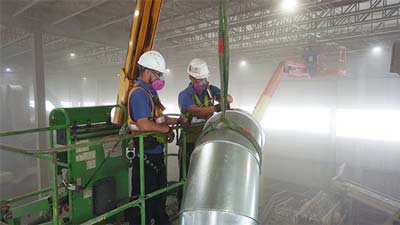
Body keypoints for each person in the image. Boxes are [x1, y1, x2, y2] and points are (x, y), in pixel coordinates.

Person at [125, 50, 176, 225]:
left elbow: (158, 118)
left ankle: (160, 219)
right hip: (144, 154)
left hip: (155, 152)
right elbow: (144, 124)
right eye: (158, 74)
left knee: (158, 193)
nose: (160, 78)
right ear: (147, 71)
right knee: (144, 196)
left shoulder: (150, 93)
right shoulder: (139, 93)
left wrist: (177, 121)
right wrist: (166, 129)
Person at [176, 58, 233, 206]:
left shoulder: (210, 89)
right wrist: (216, 108)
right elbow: (196, 111)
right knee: (188, 175)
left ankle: (201, 202)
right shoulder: (184, 95)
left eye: (204, 78)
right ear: (190, 77)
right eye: (199, 79)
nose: (203, 81)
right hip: (189, 142)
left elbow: (229, 98)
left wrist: (223, 97)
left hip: (206, 139)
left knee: (205, 172)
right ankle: (183, 204)